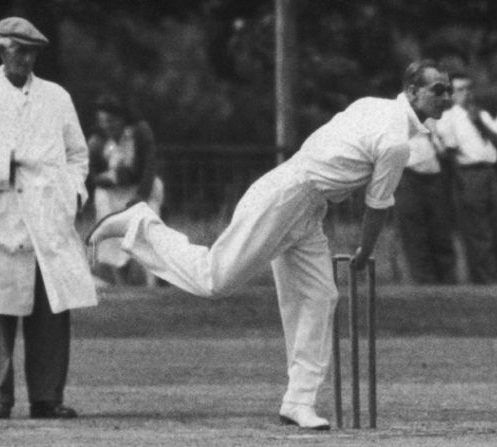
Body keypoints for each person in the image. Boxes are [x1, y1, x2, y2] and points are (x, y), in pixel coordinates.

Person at [87, 60, 451, 430]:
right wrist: (364, 250)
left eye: (448, 89)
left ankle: (298, 401)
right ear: (412, 92)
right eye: (438, 89)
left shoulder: (372, 105)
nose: (446, 97)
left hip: (308, 205)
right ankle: (140, 224)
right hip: (288, 196)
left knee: (320, 297)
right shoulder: (395, 143)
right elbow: (377, 206)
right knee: (214, 279)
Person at [0, 17, 97, 420]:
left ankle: (47, 397)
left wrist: (74, 194)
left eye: (32, 51)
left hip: (48, 218)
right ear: (1, 51)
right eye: (20, 50)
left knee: (51, 310)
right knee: (0, 311)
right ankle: (0, 396)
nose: (27, 59)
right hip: (0, 217)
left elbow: (77, 155)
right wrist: (7, 163)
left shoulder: (56, 97)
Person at [435, 73, 497, 284]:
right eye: (460, 90)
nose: (465, 93)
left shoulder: (482, 114)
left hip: (490, 172)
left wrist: (480, 124)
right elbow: (448, 150)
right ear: (451, 94)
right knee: (478, 230)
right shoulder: (449, 118)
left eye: (468, 88)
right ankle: (484, 279)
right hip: (469, 173)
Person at [87, 94, 165, 286]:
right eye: (103, 121)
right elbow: (92, 176)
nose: (107, 125)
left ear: (122, 118)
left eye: (111, 120)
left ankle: (153, 281)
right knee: (110, 223)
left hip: (140, 190)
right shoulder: (97, 142)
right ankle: (121, 281)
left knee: (147, 228)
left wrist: (141, 196)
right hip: (113, 193)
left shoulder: (140, 132)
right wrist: (108, 179)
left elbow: (149, 167)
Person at [393, 122, 457, 284]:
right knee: (415, 232)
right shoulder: (395, 115)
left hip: (433, 176)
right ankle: (424, 281)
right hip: (408, 174)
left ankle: (448, 281)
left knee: (441, 231)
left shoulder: (430, 120)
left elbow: (443, 150)